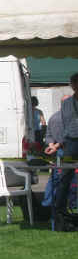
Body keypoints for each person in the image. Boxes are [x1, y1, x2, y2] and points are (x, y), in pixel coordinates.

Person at [44, 73, 78, 230]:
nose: (75, 85)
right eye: (73, 83)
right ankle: (59, 214)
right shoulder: (67, 104)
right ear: (71, 85)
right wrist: (57, 145)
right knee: (65, 177)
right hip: (70, 144)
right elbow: (65, 127)